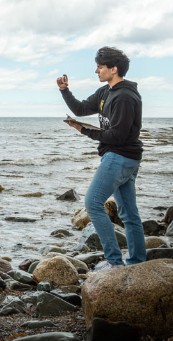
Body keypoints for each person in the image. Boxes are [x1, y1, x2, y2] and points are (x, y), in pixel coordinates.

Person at [57, 46, 145, 271]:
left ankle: (115, 262)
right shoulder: (105, 92)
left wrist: (84, 130)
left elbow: (118, 136)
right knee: (128, 214)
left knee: (93, 203)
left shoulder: (125, 96)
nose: (96, 70)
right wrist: (65, 90)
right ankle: (136, 263)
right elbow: (79, 108)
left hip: (120, 157)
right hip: (122, 158)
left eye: (100, 67)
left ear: (113, 69)